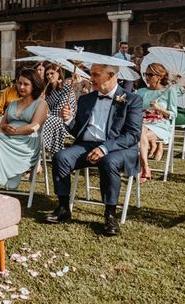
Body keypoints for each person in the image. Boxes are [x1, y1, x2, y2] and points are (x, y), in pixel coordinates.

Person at [45, 64, 143, 236]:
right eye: (91, 74)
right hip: (87, 145)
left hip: (118, 147)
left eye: (96, 75)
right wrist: (69, 120)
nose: (91, 79)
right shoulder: (86, 99)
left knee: (108, 161)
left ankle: (110, 215)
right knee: (61, 157)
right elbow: (78, 131)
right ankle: (63, 207)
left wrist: (105, 148)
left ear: (111, 75)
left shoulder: (132, 99)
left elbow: (132, 135)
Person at [0, 69, 48, 189]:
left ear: (34, 86)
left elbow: (34, 127)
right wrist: (5, 128)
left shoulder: (41, 104)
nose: (21, 87)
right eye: (19, 83)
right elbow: (1, 127)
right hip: (7, 138)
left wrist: (14, 132)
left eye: (26, 84)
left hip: (27, 143)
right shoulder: (13, 104)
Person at [137, 63, 177, 181]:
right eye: (145, 74)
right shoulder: (141, 91)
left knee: (139, 134)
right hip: (143, 122)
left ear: (160, 77)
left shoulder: (169, 91)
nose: (147, 77)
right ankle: (146, 167)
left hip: (160, 125)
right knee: (141, 131)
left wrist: (159, 108)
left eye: (150, 74)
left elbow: (173, 114)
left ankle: (142, 168)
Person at [42, 64, 76, 156]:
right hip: (51, 122)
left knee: (47, 119)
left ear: (59, 74)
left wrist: (45, 112)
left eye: (52, 73)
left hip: (66, 124)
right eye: (47, 74)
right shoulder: (48, 92)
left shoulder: (67, 88)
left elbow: (60, 112)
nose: (49, 76)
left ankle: (43, 148)